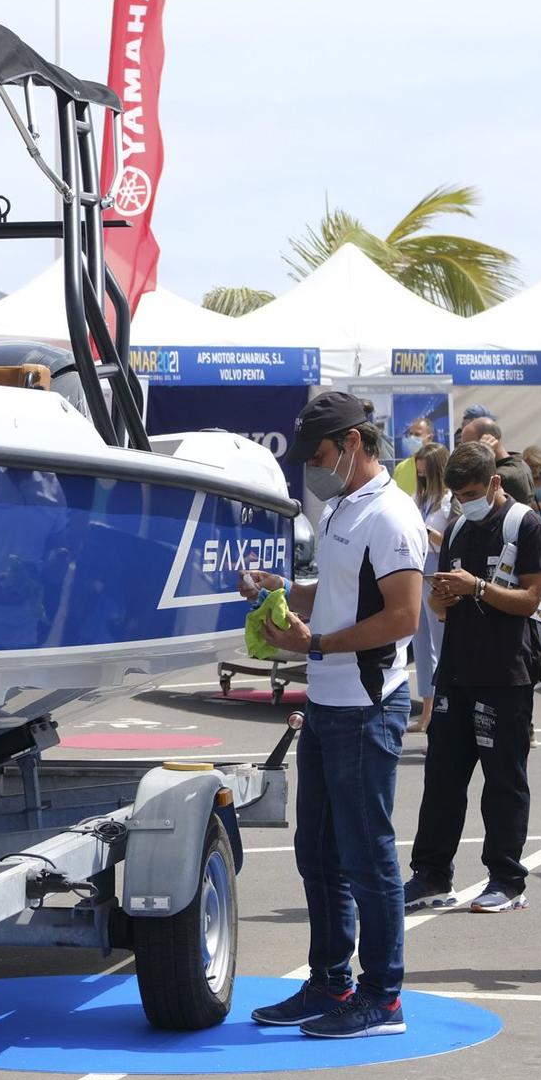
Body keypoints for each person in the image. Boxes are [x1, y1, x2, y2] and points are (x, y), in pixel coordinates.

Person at [241, 391, 424, 1039]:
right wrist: (283, 592)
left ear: (351, 443)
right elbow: (343, 592)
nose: (310, 469)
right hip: (328, 702)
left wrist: (313, 642)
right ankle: (330, 980)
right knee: (317, 850)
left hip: (366, 707)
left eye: (317, 455)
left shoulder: (392, 516)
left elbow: (403, 616)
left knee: (366, 855)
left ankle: (383, 996)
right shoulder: (346, 506)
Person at [404, 442, 541, 914]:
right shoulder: (456, 528)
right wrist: (441, 598)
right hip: (457, 671)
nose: (463, 502)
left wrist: (479, 588)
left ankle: (507, 879)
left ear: (494, 483)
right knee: (442, 779)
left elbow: (532, 600)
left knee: (503, 782)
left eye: (471, 492)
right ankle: (430, 874)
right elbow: (439, 609)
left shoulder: (525, 524)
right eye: (456, 495)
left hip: (506, 675)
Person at [407, 443, 453, 734]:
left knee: (439, 643)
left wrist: (426, 531)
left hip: (436, 573)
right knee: (421, 645)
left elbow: (447, 543)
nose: (420, 475)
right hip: (417, 572)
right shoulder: (418, 497)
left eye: (425, 470)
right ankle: (426, 710)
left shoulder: (448, 501)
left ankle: (439, 711)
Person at [456, 415, 535, 505]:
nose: (464, 451)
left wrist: (482, 455)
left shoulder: (502, 476)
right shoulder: (518, 462)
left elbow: (469, 484)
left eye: (468, 446)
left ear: (488, 440)